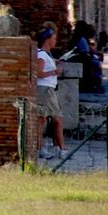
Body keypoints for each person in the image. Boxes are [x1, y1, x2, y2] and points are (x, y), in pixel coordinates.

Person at [33, 25, 65, 158]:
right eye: (54, 38)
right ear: (47, 39)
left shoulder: (47, 55)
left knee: (56, 119)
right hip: (43, 90)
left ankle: (60, 148)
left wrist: (54, 63)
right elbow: (38, 73)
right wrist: (54, 71)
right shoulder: (41, 55)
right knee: (42, 119)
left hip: (49, 89)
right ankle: (42, 149)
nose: (56, 41)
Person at [64, 20, 104, 95]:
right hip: (83, 58)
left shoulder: (78, 37)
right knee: (96, 63)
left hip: (81, 58)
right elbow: (86, 50)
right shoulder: (81, 38)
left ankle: (96, 84)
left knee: (96, 61)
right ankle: (96, 85)